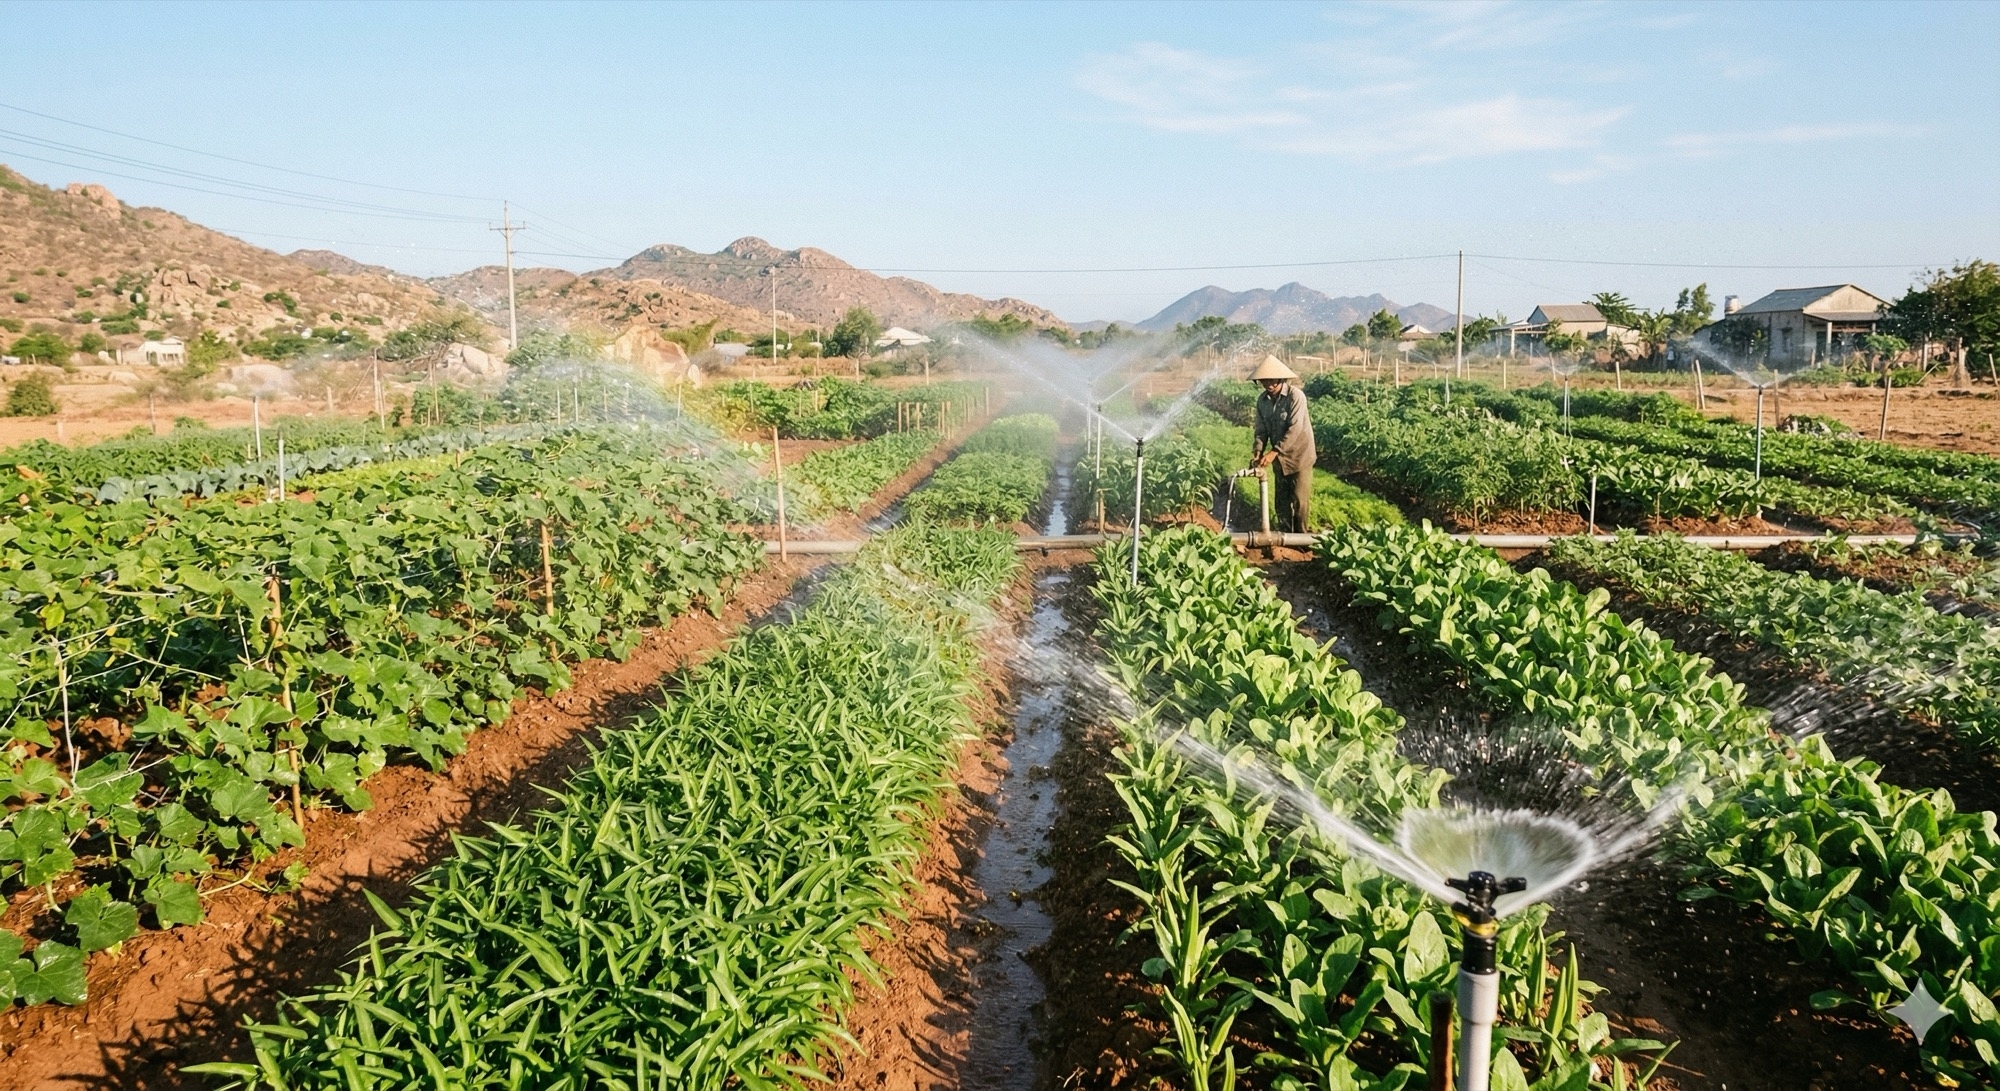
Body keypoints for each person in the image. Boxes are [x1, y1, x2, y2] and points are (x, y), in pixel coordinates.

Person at [1249, 355, 1314, 533]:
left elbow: (1295, 428)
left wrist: (1273, 452)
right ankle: (1284, 537)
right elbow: (1261, 430)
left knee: (1299, 501)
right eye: (1264, 381)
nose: (1268, 384)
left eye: (1271, 380)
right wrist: (1258, 452)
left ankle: (1301, 539)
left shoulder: (1295, 396)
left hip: (1300, 455)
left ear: (1280, 378)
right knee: (1281, 501)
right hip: (1279, 459)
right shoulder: (1262, 401)